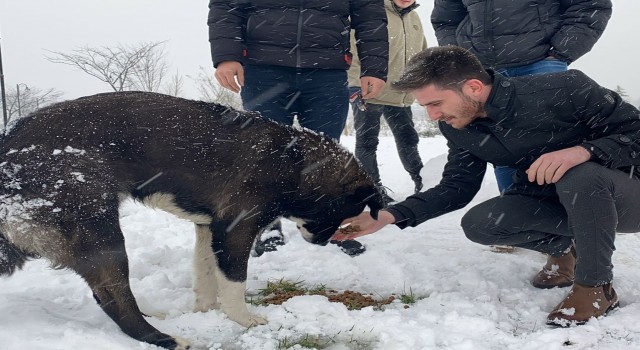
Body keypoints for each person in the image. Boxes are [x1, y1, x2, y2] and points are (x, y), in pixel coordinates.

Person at [333, 46, 640, 326]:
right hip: (556, 200)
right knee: (482, 224)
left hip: (624, 195)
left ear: (474, 87)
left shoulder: (566, 88)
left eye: (436, 103)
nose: (433, 115)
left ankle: (595, 287)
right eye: (426, 107)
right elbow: (456, 187)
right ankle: (563, 250)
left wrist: (584, 151)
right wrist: (387, 216)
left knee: (581, 175)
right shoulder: (459, 126)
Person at [208, 0, 389, 257]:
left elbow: (370, 15)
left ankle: (332, 224)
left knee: (327, 155)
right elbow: (226, 5)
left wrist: (375, 68)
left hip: (327, 70)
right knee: (264, 154)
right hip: (263, 68)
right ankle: (267, 225)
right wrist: (226, 56)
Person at [431, 0, 612, 192]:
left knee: (557, 144)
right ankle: (516, 208)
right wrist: (464, 57)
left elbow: (590, 5)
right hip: (484, 71)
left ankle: (571, 210)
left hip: (541, 62)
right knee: (502, 146)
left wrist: (560, 52)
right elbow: (445, 20)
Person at [347, 0, 427, 205]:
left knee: (408, 139)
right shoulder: (372, 14)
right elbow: (354, 50)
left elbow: (423, 54)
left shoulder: (414, 17)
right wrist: (355, 84)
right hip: (371, 91)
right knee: (367, 143)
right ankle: (373, 191)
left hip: (400, 93)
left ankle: (423, 182)